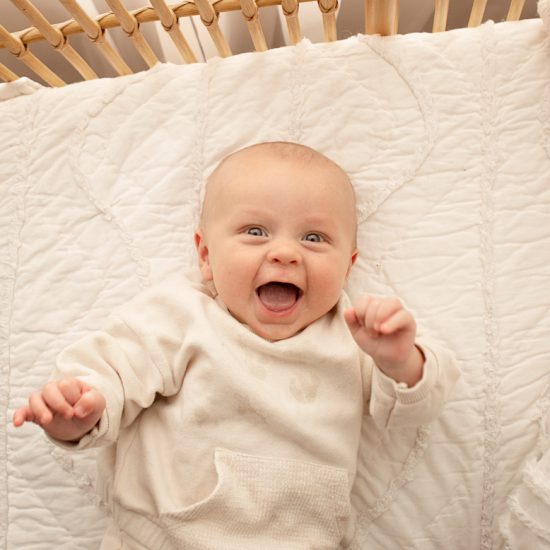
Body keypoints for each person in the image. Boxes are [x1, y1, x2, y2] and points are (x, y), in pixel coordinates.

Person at [13, 141, 460, 549]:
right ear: (206, 256)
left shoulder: (354, 333)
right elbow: (113, 367)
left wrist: (400, 361)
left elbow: (418, 407)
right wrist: (80, 410)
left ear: (348, 266)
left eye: (314, 238)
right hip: (163, 538)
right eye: (255, 232)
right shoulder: (181, 314)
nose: (285, 253)